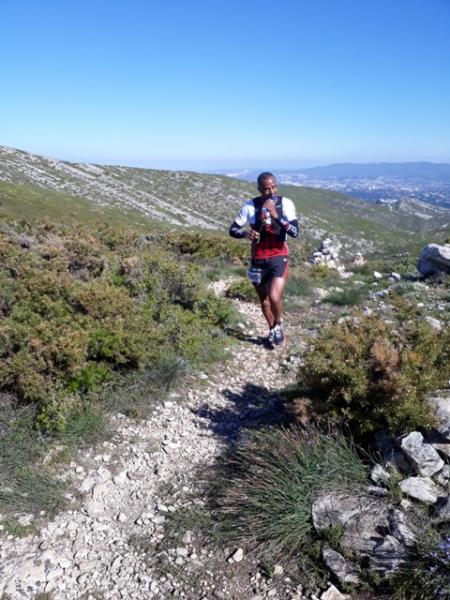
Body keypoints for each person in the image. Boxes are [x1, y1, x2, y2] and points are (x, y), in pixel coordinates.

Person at [229, 172, 298, 347]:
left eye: (274, 187)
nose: (271, 191)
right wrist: (245, 233)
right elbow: (233, 229)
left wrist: (276, 215)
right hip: (258, 259)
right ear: (259, 189)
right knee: (265, 301)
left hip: (278, 255)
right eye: (266, 189)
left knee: (275, 298)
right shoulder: (250, 206)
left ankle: (278, 324)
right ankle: (273, 328)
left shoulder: (285, 204)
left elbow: (295, 232)